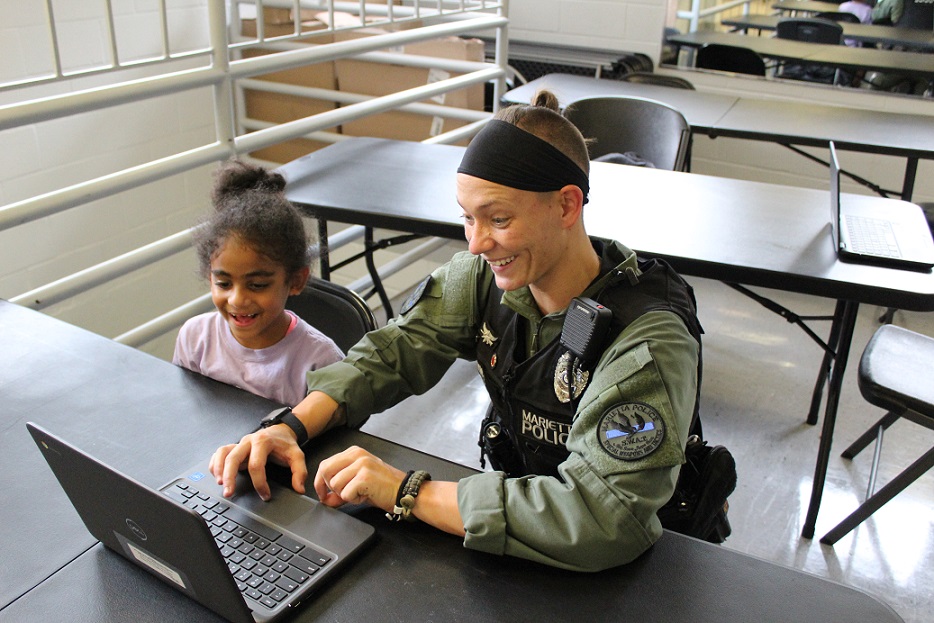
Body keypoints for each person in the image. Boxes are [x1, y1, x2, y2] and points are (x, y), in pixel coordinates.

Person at [210, 91, 703, 572]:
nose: (477, 243)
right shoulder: (482, 280)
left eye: (499, 219)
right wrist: (289, 427)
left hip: (634, 573)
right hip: (517, 537)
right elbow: (391, 354)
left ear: (567, 205)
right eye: (467, 218)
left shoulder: (647, 340)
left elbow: (601, 518)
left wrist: (409, 491)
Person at [174, 160, 344, 408]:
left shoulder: (321, 361)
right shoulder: (195, 338)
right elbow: (185, 410)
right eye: (223, 283)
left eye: (257, 285)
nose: (237, 300)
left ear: (296, 280)